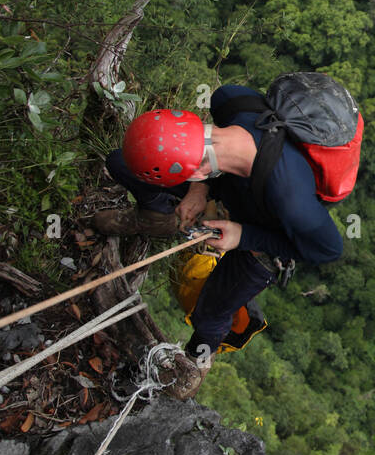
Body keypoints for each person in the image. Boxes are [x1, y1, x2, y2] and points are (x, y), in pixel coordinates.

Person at [93, 85, 345, 397]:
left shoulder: (291, 201)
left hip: (266, 235)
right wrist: (200, 191)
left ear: (196, 169)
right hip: (232, 187)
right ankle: (156, 218)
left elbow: (329, 250)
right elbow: (208, 150)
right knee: (120, 162)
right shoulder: (230, 101)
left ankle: (193, 370)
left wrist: (243, 236)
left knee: (209, 313)